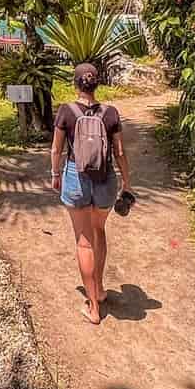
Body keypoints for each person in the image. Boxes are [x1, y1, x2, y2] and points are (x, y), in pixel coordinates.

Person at [50, 62, 133, 325]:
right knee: (99, 232)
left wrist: (55, 174)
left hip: (76, 177)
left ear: (75, 83)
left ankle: (93, 307)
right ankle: (98, 288)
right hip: (105, 177)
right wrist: (126, 184)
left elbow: (56, 150)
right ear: (97, 83)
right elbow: (119, 152)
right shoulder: (111, 113)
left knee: (84, 241)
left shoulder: (66, 111)